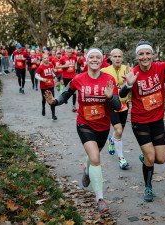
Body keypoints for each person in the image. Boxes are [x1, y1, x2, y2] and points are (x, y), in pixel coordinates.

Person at [44, 48, 121, 214]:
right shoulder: (78, 79)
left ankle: (87, 169)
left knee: (94, 157)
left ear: (102, 61)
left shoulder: (109, 79)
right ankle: (100, 199)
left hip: (103, 126)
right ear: (86, 60)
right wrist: (54, 101)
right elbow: (66, 95)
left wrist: (109, 97)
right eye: (91, 57)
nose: (94, 60)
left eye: (97, 57)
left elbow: (118, 106)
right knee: (95, 158)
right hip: (84, 123)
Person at [119, 40, 165, 202]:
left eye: (147, 53)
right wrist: (128, 85)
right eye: (141, 54)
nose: (145, 57)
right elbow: (122, 95)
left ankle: (145, 157)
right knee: (151, 158)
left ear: (152, 55)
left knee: (161, 159)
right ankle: (148, 186)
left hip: (157, 120)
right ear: (137, 56)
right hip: (140, 121)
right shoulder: (133, 72)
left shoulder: (160, 67)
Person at [101, 48, 129, 169]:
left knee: (120, 131)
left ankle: (112, 140)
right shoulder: (104, 71)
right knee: (118, 131)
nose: (117, 58)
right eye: (115, 56)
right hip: (111, 104)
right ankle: (121, 158)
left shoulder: (127, 70)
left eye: (119, 56)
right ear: (111, 58)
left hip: (124, 104)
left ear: (122, 58)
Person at [35, 53, 57, 120]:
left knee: (52, 99)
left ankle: (53, 115)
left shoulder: (50, 65)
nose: (46, 59)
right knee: (44, 99)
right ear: (42, 59)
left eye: (47, 58)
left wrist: (54, 76)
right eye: (45, 58)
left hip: (51, 84)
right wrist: (42, 79)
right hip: (43, 86)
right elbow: (36, 75)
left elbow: (51, 72)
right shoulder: (41, 67)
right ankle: (43, 108)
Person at [56, 46, 78, 111]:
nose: (70, 54)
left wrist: (75, 67)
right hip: (65, 77)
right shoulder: (62, 58)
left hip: (73, 77)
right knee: (67, 90)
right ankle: (65, 98)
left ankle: (74, 106)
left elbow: (76, 62)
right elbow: (57, 66)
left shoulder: (74, 57)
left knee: (74, 91)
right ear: (65, 52)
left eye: (71, 52)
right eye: (68, 52)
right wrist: (64, 66)